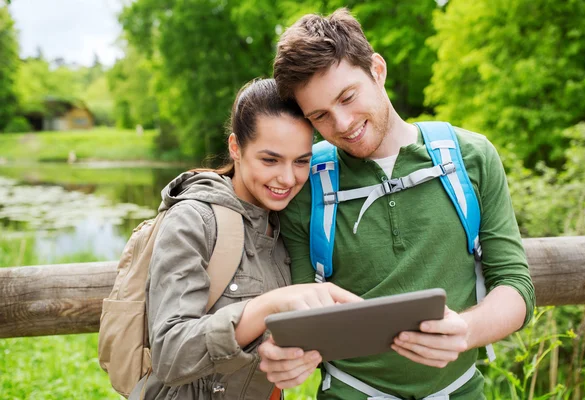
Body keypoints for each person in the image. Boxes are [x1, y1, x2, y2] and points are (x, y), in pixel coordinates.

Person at [257, 9, 536, 400]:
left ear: (378, 70)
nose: (342, 124)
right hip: (351, 391)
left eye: (348, 97)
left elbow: (515, 286)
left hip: (460, 390)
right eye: (320, 116)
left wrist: (466, 331)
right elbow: (303, 308)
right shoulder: (306, 181)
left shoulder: (471, 157)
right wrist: (285, 353)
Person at [128, 78, 362, 400]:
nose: (288, 178)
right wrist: (268, 305)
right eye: (270, 160)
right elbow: (171, 354)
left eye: (301, 161)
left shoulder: (290, 220)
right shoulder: (193, 220)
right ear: (236, 147)